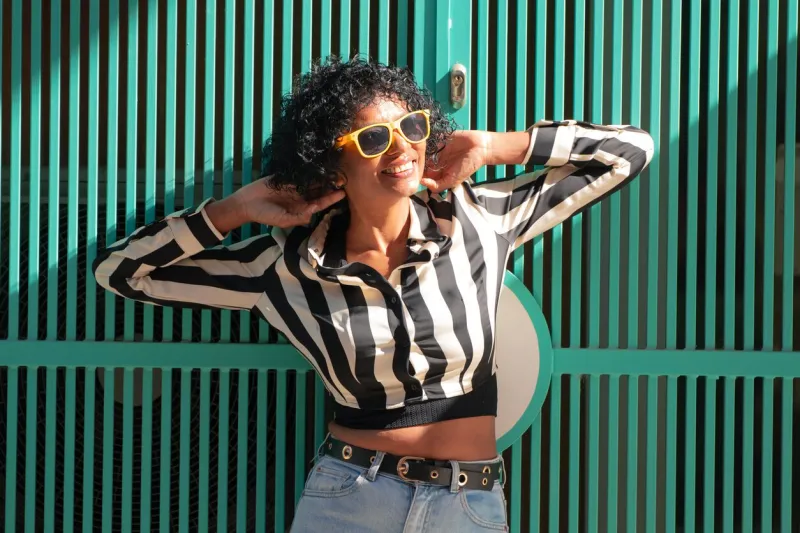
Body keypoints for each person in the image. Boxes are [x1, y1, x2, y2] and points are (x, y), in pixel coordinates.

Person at [93, 57, 654, 532]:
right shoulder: (283, 269)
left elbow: (630, 151)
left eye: (411, 126)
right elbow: (122, 272)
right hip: (348, 500)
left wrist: (496, 145)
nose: (402, 148)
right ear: (330, 160)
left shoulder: (481, 220)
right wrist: (233, 209)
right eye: (374, 137)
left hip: (468, 505)